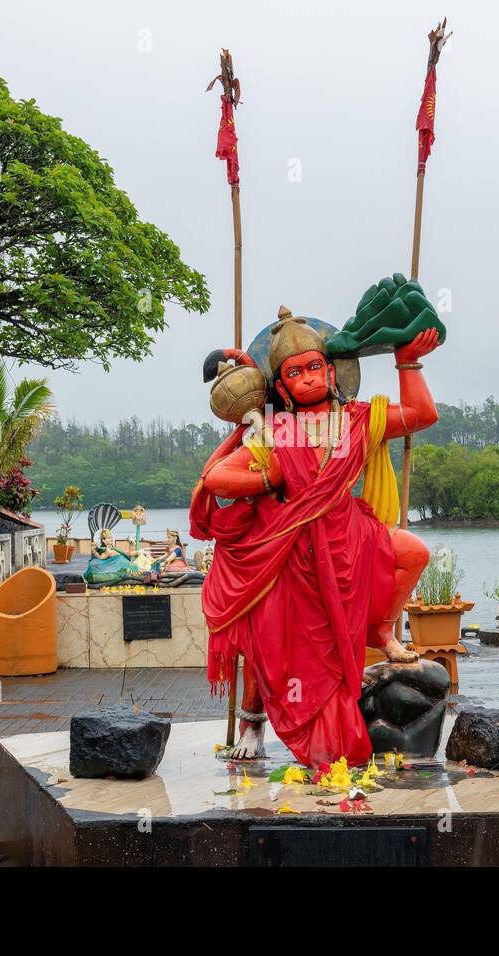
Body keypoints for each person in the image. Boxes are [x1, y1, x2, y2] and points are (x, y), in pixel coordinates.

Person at [190, 308, 439, 766]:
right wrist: (269, 479)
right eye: (294, 372)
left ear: (331, 370)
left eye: (313, 367)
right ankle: (252, 720)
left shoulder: (361, 418)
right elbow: (218, 480)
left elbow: (423, 413)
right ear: (282, 385)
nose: (306, 378)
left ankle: (380, 630)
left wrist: (409, 361)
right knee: (265, 628)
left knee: (414, 552)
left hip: (351, 535)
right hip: (291, 545)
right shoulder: (274, 430)